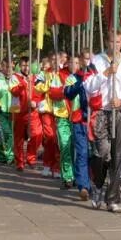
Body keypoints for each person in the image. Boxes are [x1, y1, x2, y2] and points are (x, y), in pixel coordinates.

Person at [83, 29, 121, 214]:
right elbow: (87, 85)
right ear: (106, 42)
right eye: (111, 41)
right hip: (101, 112)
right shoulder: (96, 62)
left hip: (120, 113)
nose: (114, 45)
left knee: (117, 155)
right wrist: (106, 73)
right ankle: (98, 184)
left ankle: (113, 199)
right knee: (102, 153)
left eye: (117, 42)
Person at [64, 51, 92, 201]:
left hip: (95, 120)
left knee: (94, 155)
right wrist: (80, 83)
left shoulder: (97, 75)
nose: (87, 61)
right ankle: (83, 186)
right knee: (81, 153)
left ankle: (93, 183)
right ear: (81, 61)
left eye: (90, 58)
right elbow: (67, 93)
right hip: (79, 120)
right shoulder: (72, 78)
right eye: (85, 58)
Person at [49, 54, 74, 188]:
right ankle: (67, 176)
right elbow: (52, 93)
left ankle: (78, 175)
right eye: (71, 62)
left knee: (77, 148)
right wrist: (66, 90)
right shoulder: (59, 75)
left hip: (78, 117)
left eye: (77, 62)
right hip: (63, 116)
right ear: (67, 63)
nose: (74, 65)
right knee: (65, 145)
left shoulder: (84, 75)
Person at [34, 57, 60, 178]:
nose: (56, 62)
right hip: (47, 110)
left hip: (61, 111)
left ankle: (57, 167)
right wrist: (49, 85)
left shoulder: (64, 73)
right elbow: (37, 87)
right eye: (53, 60)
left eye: (58, 59)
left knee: (59, 140)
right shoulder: (43, 74)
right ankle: (47, 164)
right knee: (49, 138)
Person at [9, 57, 33, 170]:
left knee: (34, 135)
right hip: (19, 110)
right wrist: (24, 83)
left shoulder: (33, 77)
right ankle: (19, 162)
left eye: (27, 65)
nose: (26, 68)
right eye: (23, 65)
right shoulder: (15, 77)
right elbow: (14, 92)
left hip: (31, 110)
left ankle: (30, 158)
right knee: (19, 138)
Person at [0, 60, 14, 165]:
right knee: (6, 133)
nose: (9, 70)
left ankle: (2, 157)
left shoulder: (12, 78)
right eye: (7, 67)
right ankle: (9, 156)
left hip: (10, 109)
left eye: (11, 67)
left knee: (6, 134)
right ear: (2, 67)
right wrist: (6, 88)